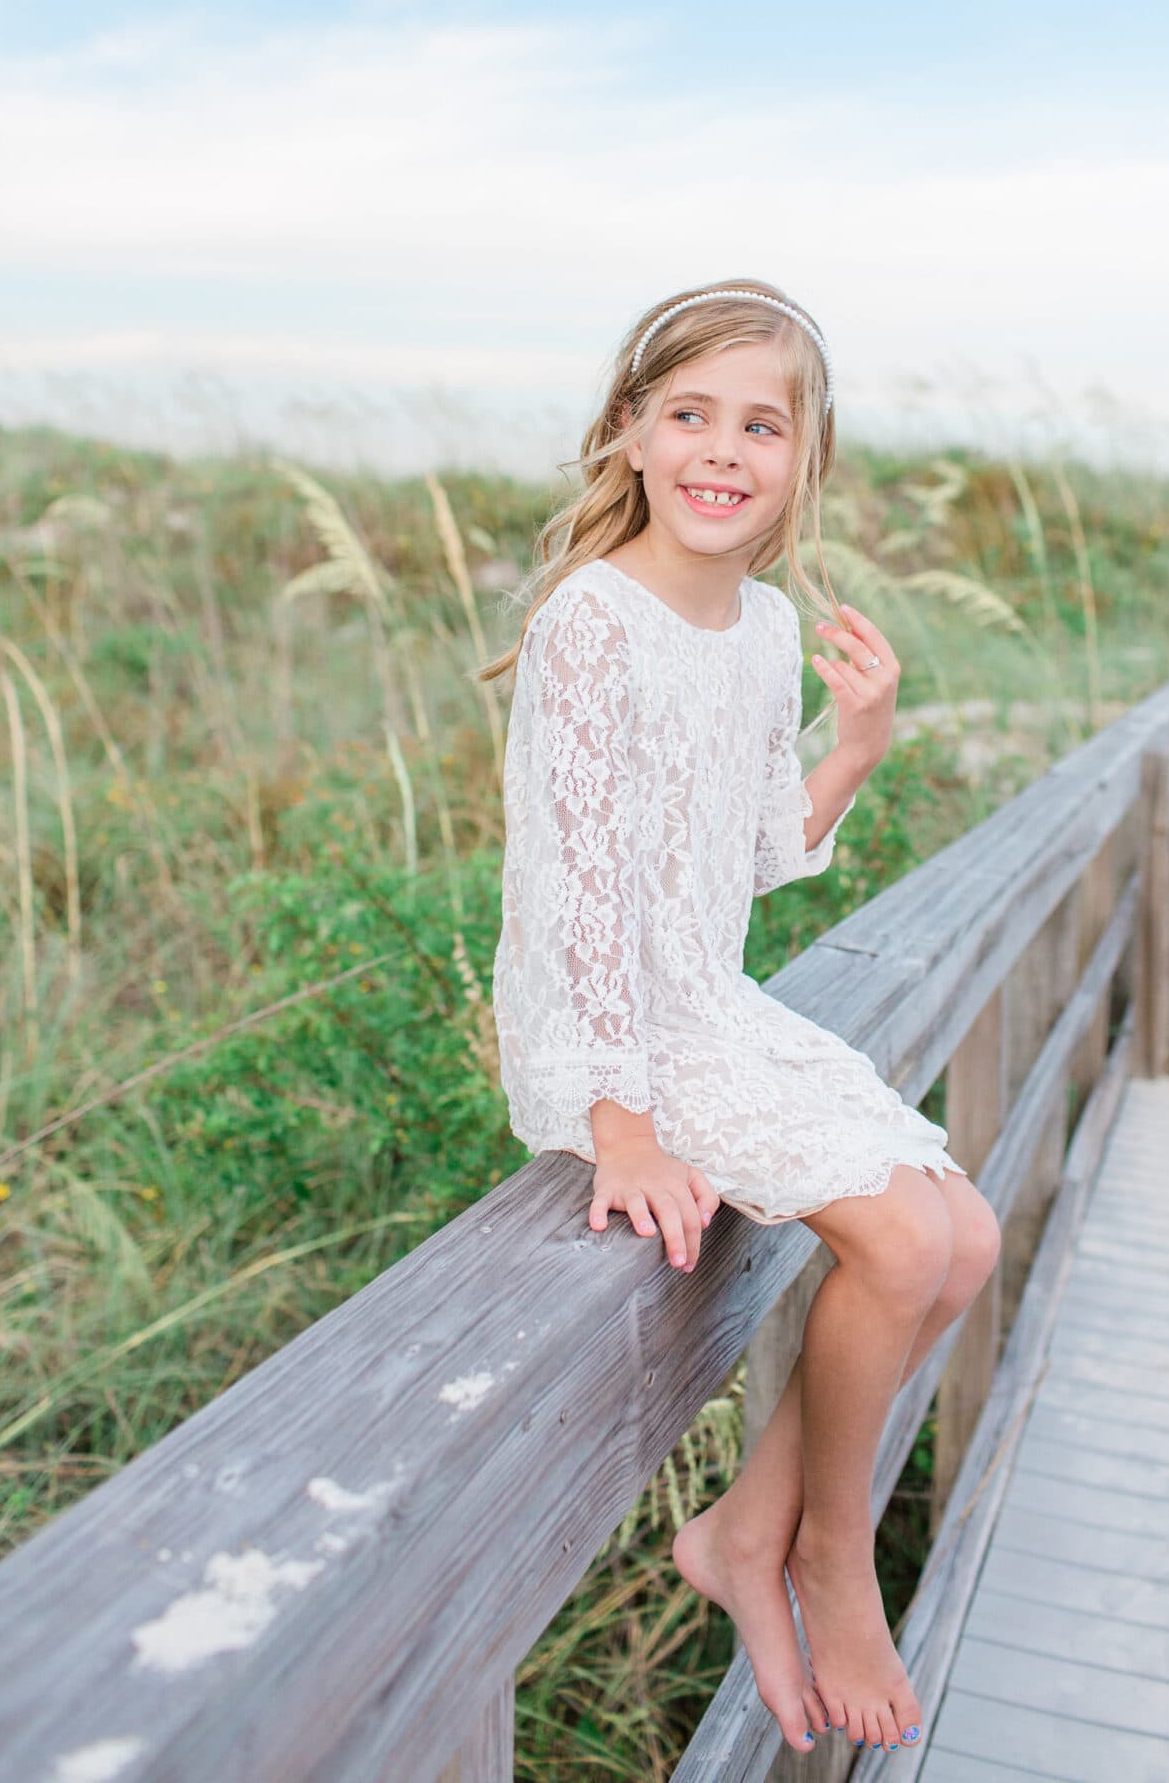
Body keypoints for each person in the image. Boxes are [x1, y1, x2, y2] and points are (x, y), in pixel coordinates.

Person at [482, 279, 1002, 1758]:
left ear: (803, 455)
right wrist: (620, 1125)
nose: (723, 450)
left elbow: (753, 844)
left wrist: (860, 744)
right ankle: (829, 1561)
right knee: (902, 1239)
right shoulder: (593, 620)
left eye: (759, 424)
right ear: (632, 435)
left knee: (965, 1236)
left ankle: (746, 1528)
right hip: (620, 1039)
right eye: (690, 414)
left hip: (710, 1002)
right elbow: (574, 886)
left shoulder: (765, 627)